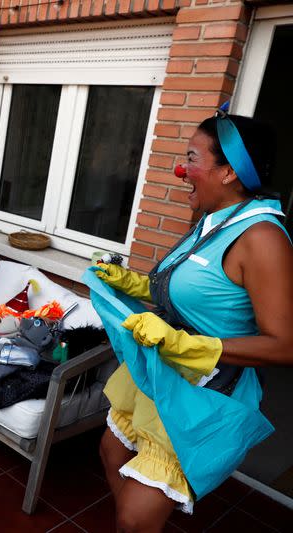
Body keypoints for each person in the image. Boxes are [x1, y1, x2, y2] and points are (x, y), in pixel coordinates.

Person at [93, 110, 293, 531]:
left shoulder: (263, 238)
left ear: (229, 173)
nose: (181, 171)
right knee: (112, 453)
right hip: (161, 373)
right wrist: (133, 284)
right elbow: (188, 292)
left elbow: (285, 344)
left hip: (203, 393)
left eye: (191, 158)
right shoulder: (209, 221)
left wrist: (191, 346)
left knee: (134, 516)